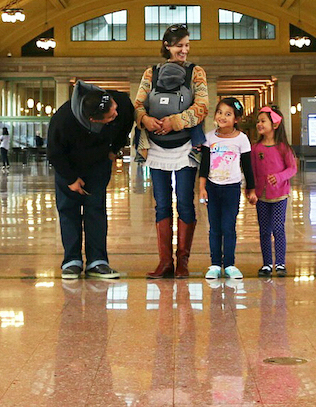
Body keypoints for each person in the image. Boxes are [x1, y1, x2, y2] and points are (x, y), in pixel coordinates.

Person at [134, 24, 209, 279]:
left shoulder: (196, 73)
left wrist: (174, 121)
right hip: (156, 148)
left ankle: (183, 262)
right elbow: (138, 104)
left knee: (185, 203)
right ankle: (165, 261)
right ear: (167, 46)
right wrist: (145, 120)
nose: (184, 50)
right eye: (180, 46)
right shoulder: (150, 73)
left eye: (187, 45)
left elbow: (202, 106)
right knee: (162, 205)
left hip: (186, 147)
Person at [47, 81, 133, 279]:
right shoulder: (64, 120)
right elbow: (54, 152)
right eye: (110, 116)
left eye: (114, 109)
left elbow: (127, 120)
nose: (116, 115)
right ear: (92, 119)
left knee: (95, 209)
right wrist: (70, 179)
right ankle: (72, 261)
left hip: (98, 164)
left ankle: (97, 261)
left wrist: (114, 148)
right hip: (68, 164)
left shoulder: (120, 102)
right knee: (69, 211)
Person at [198, 97, 256, 280]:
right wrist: (202, 187)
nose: (222, 117)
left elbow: (247, 166)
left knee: (229, 227)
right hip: (213, 187)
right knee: (214, 227)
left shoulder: (242, 139)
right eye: (220, 112)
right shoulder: (209, 138)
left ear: (236, 119)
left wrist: (251, 189)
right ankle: (215, 264)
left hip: (232, 188)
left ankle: (230, 264)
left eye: (228, 114)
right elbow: (204, 165)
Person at [251, 105, 297, 277]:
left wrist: (279, 177)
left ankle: (280, 263)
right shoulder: (256, 148)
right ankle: (266, 264)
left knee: (278, 228)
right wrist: (252, 191)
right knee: (264, 229)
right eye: (258, 121)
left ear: (275, 125)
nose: (259, 124)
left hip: (279, 194)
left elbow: (292, 169)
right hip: (261, 195)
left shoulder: (283, 148)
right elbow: (254, 171)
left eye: (263, 121)